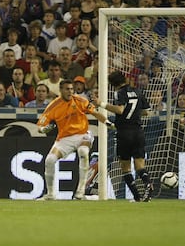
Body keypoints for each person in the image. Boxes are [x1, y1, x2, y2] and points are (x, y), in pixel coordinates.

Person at [36, 79, 114, 200]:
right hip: (65, 138)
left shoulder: (80, 100)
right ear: (61, 90)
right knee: (49, 160)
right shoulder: (53, 106)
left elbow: (95, 113)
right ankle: (50, 194)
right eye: (67, 89)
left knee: (83, 151)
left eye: (72, 89)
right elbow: (40, 125)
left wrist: (108, 122)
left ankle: (80, 192)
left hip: (83, 134)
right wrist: (43, 129)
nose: (70, 92)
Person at [91, 70, 153, 202]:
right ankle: (148, 184)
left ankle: (137, 196)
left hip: (124, 132)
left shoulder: (120, 93)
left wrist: (101, 104)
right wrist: (134, 115)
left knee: (125, 168)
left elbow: (120, 110)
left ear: (113, 84)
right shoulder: (137, 92)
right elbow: (146, 112)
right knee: (140, 165)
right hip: (138, 131)